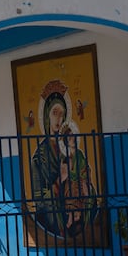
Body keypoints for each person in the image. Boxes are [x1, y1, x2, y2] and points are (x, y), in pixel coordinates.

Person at [29, 83, 100, 241]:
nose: (59, 119)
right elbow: (39, 199)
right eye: (55, 113)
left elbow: (87, 179)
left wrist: (84, 186)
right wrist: (60, 179)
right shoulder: (40, 158)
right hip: (55, 214)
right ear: (47, 115)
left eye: (62, 114)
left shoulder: (74, 152)